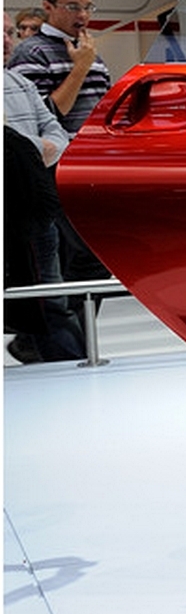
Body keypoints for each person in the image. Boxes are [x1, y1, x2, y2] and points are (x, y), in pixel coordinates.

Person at [2, 22, 82, 362]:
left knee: (50, 299)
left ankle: (70, 369)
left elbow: (53, 128)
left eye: (8, 33)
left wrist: (36, 148)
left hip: (32, 208)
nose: (7, 40)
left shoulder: (19, 82)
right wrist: (37, 148)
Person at [7, 0, 111, 134]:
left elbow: (106, 110)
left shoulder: (89, 52)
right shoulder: (31, 52)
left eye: (87, 7)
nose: (83, 15)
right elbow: (39, 118)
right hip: (60, 148)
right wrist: (80, 69)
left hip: (97, 146)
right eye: (73, 7)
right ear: (48, 7)